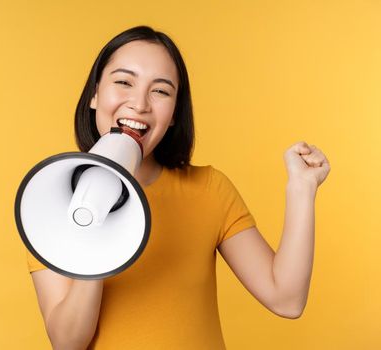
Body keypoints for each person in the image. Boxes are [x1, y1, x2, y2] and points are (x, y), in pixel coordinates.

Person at [26, 25, 331, 350]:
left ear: (173, 114)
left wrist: (302, 188)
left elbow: (286, 300)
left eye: (160, 91)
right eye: (123, 82)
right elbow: (68, 343)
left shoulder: (209, 190)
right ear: (95, 94)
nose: (139, 103)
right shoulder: (50, 197)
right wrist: (98, 230)